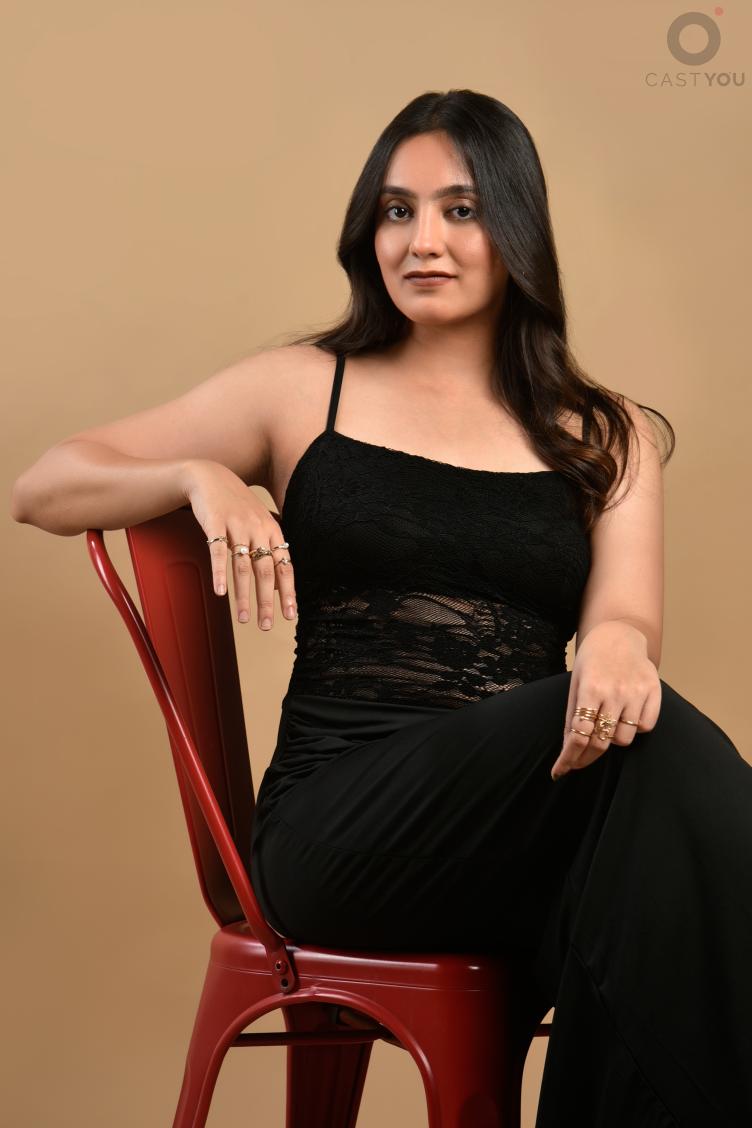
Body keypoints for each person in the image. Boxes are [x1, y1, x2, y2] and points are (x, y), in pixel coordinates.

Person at [11, 89, 751, 1126]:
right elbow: (41, 487)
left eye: (460, 209)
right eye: (396, 210)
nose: (421, 240)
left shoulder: (605, 433)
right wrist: (193, 474)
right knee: (647, 752)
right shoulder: (301, 388)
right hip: (341, 835)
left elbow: (623, 615)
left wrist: (621, 642)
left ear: (516, 228)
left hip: (521, 843)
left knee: (649, 843)